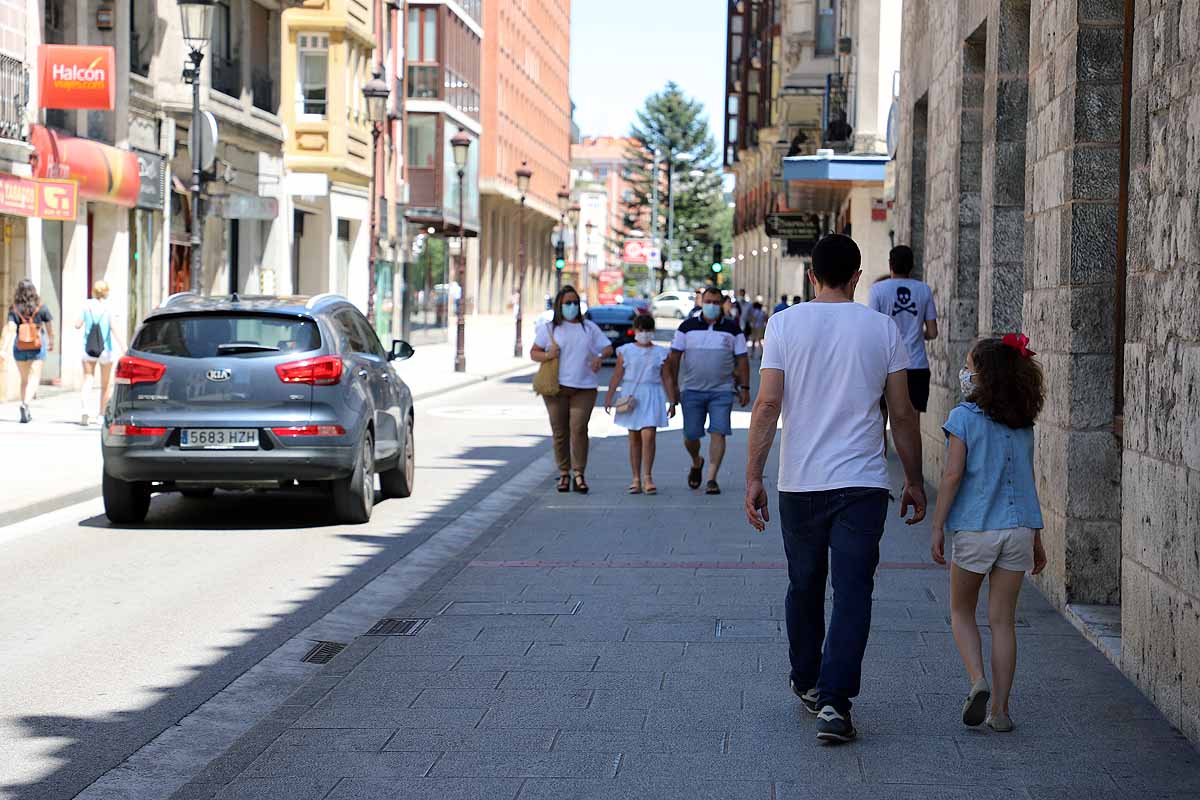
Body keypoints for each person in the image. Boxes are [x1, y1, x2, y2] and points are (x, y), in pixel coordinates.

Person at [744, 233, 926, 745]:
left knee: (803, 585)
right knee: (852, 592)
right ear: (858, 278)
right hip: (863, 484)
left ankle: (807, 681)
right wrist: (912, 478)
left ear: (811, 276)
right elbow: (903, 412)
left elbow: (767, 405)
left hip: (799, 481)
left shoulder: (783, 324)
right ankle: (834, 702)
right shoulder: (882, 328)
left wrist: (754, 475)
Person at [930, 334, 1046, 733]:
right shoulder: (1023, 423)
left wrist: (938, 525)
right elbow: (1027, 481)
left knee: (962, 611)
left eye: (970, 367)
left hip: (976, 528)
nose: (966, 374)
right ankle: (1001, 711)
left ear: (984, 376)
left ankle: (977, 680)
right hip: (1018, 529)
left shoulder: (963, 417)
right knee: (1003, 622)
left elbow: (952, 474)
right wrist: (1037, 537)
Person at [667, 286, 750, 495]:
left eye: (716, 302)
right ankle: (697, 461)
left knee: (718, 432)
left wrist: (745, 387)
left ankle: (712, 478)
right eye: (708, 302)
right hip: (692, 390)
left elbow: (742, 359)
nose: (712, 306)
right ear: (701, 302)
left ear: (721, 304)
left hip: (722, 391)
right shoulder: (687, 327)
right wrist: (673, 387)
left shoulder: (732, 329)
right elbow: (674, 357)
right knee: (691, 435)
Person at [531, 285, 613, 494]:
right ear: (559, 305)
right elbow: (534, 353)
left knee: (578, 429)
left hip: (584, 387)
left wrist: (599, 358)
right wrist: (548, 355)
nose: (572, 306)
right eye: (568, 303)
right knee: (560, 432)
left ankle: (579, 473)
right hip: (556, 387)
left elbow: (607, 347)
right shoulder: (550, 329)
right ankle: (564, 473)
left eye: (575, 302)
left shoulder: (589, 328)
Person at [604, 314, 676, 495]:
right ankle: (635, 478)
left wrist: (672, 400)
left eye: (648, 330)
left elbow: (667, 377)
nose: (644, 334)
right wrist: (609, 397)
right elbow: (617, 375)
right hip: (632, 395)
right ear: (635, 331)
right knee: (634, 437)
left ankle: (648, 476)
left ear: (653, 331)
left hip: (653, 394)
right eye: (641, 330)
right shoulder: (625, 351)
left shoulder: (661, 352)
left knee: (649, 435)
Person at [869, 246, 938, 427]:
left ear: (890, 264)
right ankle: (913, 457)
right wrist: (914, 333)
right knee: (912, 423)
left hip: (885, 364)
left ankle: (881, 456)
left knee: (880, 421)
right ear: (912, 266)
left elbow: (873, 331)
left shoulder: (877, 290)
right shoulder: (924, 290)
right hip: (916, 365)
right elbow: (932, 332)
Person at [6, 279, 55, 424]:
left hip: (19, 346)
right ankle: (25, 404)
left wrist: (4, 349)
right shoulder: (41, 307)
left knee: (24, 379)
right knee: (34, 378)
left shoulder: (14, 309)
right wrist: (51, 341)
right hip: (37, 345)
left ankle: (24, 404)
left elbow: (10, 328)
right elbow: (49, 326)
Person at [76, 279, 122, 426]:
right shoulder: (108, 307)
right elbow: (114, 328)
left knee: (88, 378)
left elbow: (77, 325)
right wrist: (124, 346)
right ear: (106, 292)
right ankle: (101, 415)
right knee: (105, 384)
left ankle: (84, 409)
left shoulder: (86, 306)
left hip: (88, 348)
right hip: (105, 349)